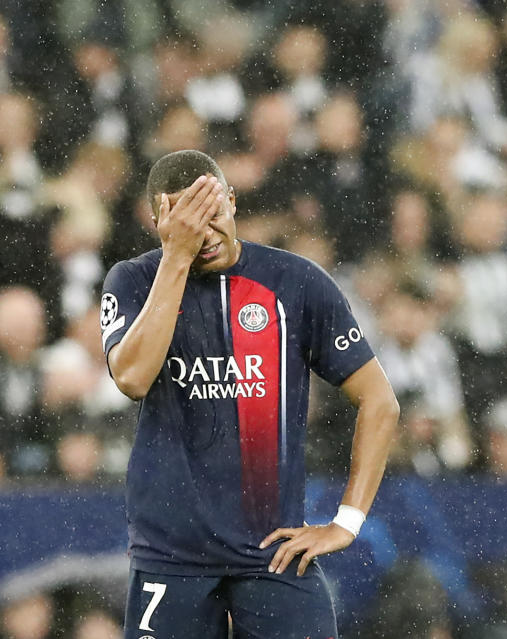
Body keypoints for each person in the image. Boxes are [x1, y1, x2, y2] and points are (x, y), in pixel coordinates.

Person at [100, 150, 399, 638]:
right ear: (158, 221)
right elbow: (131, 378)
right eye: (185, 220)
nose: (205, 233)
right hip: (170, 556)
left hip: (273, 553)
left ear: (233, 202)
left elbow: (379, 400)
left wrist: (346, 521)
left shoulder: (296, 283)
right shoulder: (131, 281)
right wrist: (176, 257)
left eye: (213, 213)